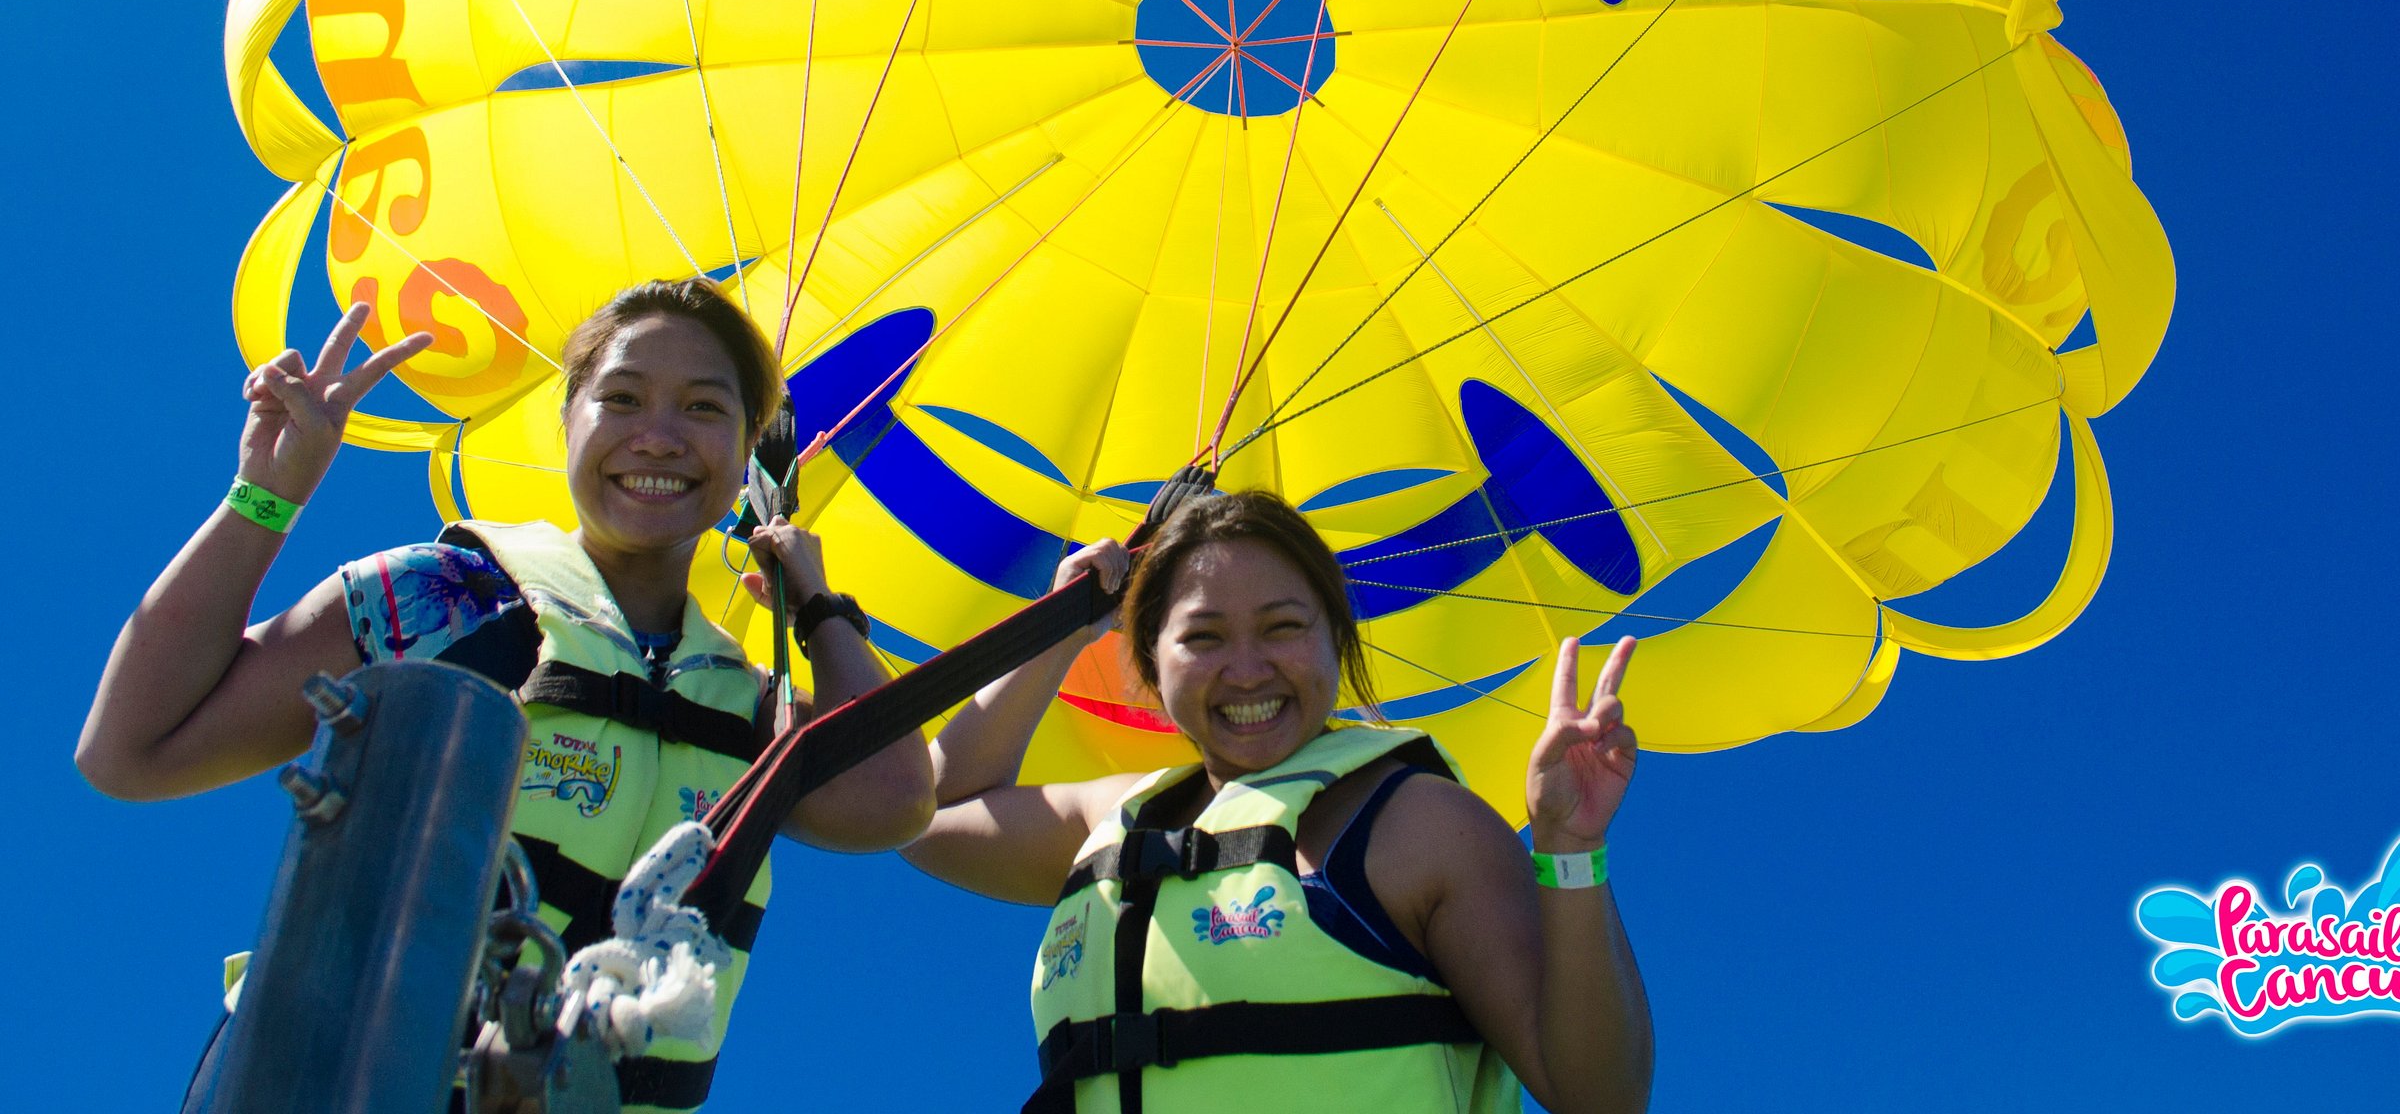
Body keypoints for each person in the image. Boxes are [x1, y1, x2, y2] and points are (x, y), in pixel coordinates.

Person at [78, 278, 934, 1113]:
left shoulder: (746, 706)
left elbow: (894, 802)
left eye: (705, 410)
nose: (661, 437)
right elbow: (133, 751)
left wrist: (819, 608)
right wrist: (267, 495)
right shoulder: (445, 599)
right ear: (568, 422)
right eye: (623, 399)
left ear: (750, 451)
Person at [905, 488, 1653, 1114]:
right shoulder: (1110, 821)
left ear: (1337, 638)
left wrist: (1571, 851)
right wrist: (1056, 635)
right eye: (1203, 638)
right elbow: (918, 813)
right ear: (1150, 665)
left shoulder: (1420, 824)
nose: (1248, 669)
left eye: (1283, 627)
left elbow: (1595, 1095)